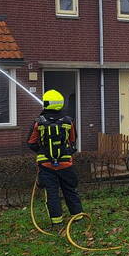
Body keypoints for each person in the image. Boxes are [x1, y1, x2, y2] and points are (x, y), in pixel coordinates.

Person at [27, 89, 81, 229]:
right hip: (65, 164)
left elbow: (31, 143)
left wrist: (42, 152)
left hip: (46, 165)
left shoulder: (39, 122)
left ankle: (57, 223)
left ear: (46, 103)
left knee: (52, 194)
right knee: (70, 190)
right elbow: (73, 142)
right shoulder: (68, 121)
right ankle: (78, 217)